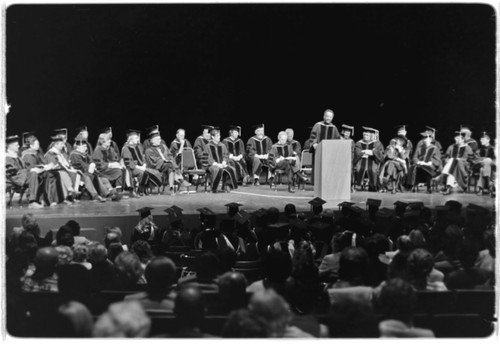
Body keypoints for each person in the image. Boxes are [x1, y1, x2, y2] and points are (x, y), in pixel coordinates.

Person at [21, 132, 62, 206]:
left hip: (40, 172)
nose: (39, 145)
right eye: (37, 144)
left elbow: (43, 162)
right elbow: (32, 168)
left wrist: (49, 166)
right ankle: (47, 200)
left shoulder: (37, 152)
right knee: (49, 174)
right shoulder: (27, 155)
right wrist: (45, 168)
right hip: (32, 175)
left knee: (55, 173)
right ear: (31, 145)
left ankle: (54, 199)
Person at [5, 135, 44, 209]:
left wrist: (34, 169)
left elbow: (24, 167)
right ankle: (32, 201)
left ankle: (38, 199)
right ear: (10, 146)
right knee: (33, 174)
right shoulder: (6, 157)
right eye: (16, 145)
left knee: (39, 174)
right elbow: (12, 171)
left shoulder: (16, 156)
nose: (19, 146)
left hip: (21, 176)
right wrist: (30, 170)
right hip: (13, 178)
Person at [45, 133, 84, 204]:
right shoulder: (50, 154)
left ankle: (72, 196)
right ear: (55, 145)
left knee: (76, 173)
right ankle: (67, 195)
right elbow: (53, 166)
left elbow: (67, 163)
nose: (63, 145)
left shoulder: (61, 153)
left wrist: (70, 168)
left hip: (62, 170)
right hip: (54, 172)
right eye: (61, 144)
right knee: (63, 173)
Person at [122, 129, 163, 196]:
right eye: (136, 138)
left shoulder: (138, 146)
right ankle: (141, 190)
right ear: (131, 139)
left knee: (154, 172)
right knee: (144, 173)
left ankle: (144, 189)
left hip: (141, 167)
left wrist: (144, 165)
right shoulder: (126, 148)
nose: (138, 139)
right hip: (131, 169)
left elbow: (143, 158)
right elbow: (128, 163)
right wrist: (140, 167)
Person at [439, 130, 474, 195]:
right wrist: (446, 159)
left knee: (453, 160)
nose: (456, 140)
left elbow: (470, 159)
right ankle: (448, 187)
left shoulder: (468, 148)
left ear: (463, 140)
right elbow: (446, 156)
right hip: (452, 166)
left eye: (458, 139)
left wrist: (460, 160)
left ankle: (444, 180)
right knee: (452, 162)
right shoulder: (451, 147)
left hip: (463, 165)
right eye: (455, 139)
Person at [204, 127, 238, 193]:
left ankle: (227, 186)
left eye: (219, 135)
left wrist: (224, 162)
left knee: (232, 169)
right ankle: (215, 188)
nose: (219, 137)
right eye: (217, 136)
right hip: (212, 165)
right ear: (212, 137)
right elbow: (207, 158)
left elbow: (226, 155)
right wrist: (216, 164)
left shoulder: (222, 145)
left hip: (222, 164)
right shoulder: (207, 146)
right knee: (216, 169)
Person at [354, 127, 384, 191]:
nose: (365, 136)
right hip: (361, 160)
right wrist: (370, 152)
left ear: (371, 136)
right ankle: (359, 185)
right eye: (364, 135)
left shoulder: (377, 143)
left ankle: (373, 186)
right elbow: (358, 152)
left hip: (373, 161)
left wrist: (371, 152)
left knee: (372, 169)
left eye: (367, 135)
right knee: (359, 168)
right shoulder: (358, 143)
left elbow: (380, 153)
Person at [473, 132, 495, 196]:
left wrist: (489, 160)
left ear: (488, 140)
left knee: (482, 169)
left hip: (492, 166)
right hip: (480, 165)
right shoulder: (480, 150)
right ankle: (490, 186)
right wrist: (484, 160)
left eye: (483, 140)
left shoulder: (493, 149)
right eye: (480, 140)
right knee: (483, 167)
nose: (481, 141)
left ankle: (480, 189)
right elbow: (476, 159)